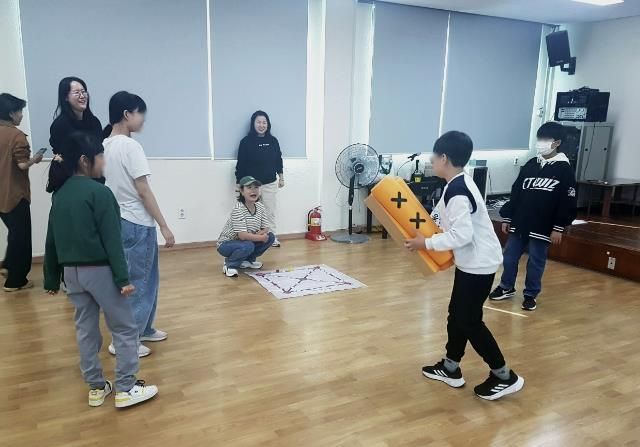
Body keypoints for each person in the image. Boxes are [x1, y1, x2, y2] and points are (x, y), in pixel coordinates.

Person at [405, 131, 524, 401]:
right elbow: (439, 218)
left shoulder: (458, 191)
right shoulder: (456, 183)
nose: (431, 160)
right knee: (456, 314)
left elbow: (462, 235)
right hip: (471, 262)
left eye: (434, 156)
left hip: (479, 264)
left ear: (444, 158)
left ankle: (504, 375)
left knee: (469, 320)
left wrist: (427, 243)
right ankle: (451, 367)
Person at [43, 131, 158, 408]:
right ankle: (126, 388)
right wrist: (123, 278)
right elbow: (112, 241)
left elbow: (51, 240)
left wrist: (50, 278)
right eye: (100, 157)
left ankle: (96, 387)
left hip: (72, 275)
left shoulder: (60, 195)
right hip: (101, 273)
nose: (103, 163)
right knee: (125, 328)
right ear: (85, 161)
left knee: (85, 330)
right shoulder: (100, 193)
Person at [102, 91, 175, 357]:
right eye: (140, 112)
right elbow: (143, 190)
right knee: (140, 282)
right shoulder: (130, 147)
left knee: (144, 279)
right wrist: (164, 226)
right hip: (136, 222)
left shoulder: (105, 144)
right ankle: (126, 341)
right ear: (126, 114)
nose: (143, 118)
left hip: (120, 220)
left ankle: (143, 329)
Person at [489, 122, 577, 311]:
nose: (541, 143)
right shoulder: (531, 164)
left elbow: (567, 200)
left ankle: (530, 294)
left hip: (543, 225)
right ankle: (506, 286)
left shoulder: (564, 169)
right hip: (521, 221)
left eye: (545, 139)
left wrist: (558, 227)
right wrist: (508, 216)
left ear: (557, 143)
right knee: (509, 256)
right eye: (539, 138)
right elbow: (516, 192)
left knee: (536, 261)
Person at [0, 93, 43, 292]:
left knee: (14, 233)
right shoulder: (17, 136)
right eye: (20, 111)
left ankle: (8, 266)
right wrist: (36, 158)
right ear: (11, 113)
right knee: (21, 238)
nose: (22, 115)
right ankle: (16, 281)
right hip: (15, 194)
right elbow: (22, 165)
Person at [235, 110, 284, 247]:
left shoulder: (273, 141)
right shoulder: (245, 142)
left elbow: (278, 160)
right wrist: (239, 183)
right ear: (253, 124)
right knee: (250, 212)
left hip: (270, 183)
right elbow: (241, 164)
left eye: (264, 122)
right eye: (258, 122)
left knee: (269, 212)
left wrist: (281, 177)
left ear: (268, 124)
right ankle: (251, 238)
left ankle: (271, 237)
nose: (261, 125)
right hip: (251, 185)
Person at [48, 77, 104, 191]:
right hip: (71, 183)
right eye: (77, 92)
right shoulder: (60, 125)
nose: (82, 96)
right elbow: (62, 157)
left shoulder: (94, 122)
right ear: (65, 97)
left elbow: (98, 150)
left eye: (84, 92)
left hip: (96, 180)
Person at [217, 176, 275, 278]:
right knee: (248, 245)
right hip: (226, 244)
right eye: (249, 187)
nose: (253, 190)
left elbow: (266, 227)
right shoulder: (238, 209)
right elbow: (242, 235)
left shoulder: (260, 207)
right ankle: (230, 264)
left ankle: (247, 260)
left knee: (270, 237)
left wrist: (261, 233)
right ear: (242, 191)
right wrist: (260, 237)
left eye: (256, 187)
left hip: (246, 241)